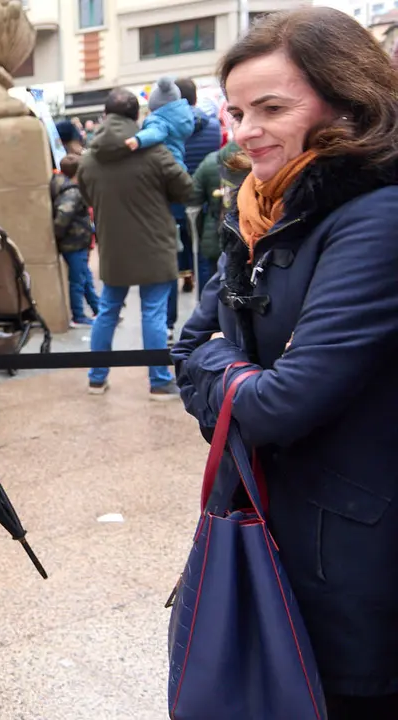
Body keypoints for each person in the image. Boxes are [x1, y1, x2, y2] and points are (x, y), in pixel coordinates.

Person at [172, 9, 398, 716]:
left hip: (355, 553)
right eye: (237, 111)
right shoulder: (262, 210)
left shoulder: (376, 216)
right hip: (279, 527)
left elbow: (281, 405)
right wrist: (240, 378)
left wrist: (227, 374)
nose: (245, 132)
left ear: (348, 101)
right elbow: (184, 347)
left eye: (271, 108)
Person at [76, 88, 194, 399]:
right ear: (136, 116)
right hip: (155, 246)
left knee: (107, 311)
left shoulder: (88, 161)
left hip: (114, 248)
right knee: (153, 313)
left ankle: (96, 379)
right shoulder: (155, 152)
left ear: (105, 115)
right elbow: (186, 189)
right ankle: (158, 381)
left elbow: (89, 199)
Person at [167, 78, 224, 325]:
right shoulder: (212, 126)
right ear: (194, 97)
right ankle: (206, 310)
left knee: (176, 247)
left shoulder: (168, 129)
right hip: (207, 196)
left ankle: (171, 318)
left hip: (175, 196)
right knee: (202, 250)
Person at [188, 140, 244, 293]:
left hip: (215, 230)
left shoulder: (210, 162)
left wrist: (197, 235)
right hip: (251, 234)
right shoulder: (260, 162)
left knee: (213, 281)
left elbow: (193, 200)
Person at [51, 154, 99, 327]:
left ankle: (99, 309)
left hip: (75, 242)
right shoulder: (72, 191)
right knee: (78, 280)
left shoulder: (66, 186)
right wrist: (58, 234)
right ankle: (78, 315)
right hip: (74, 242)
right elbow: (64, 214)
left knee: (85, 277)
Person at [124, 76, 194, 169]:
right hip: (178, 163)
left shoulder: (160, 120)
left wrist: (138, 140)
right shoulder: (182, 115)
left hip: (164, 166)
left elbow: (154, 132)